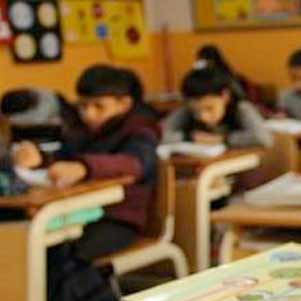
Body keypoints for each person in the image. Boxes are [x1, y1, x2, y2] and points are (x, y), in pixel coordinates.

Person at [13, 64, 159, 260]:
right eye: (83, 106)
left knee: (64, 255)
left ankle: (89, 290)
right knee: (28, 241)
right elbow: (63, 158)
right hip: (77, 214)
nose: (88, 114)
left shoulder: (140, 131)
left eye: (99, 106)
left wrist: (84, 168)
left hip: (117, 220)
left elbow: (135, 164)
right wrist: (40, 159)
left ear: (124, 104)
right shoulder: (80, 131)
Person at [162, 66, 268, 148]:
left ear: (225, 96)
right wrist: (189, 137)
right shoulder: (186, 111)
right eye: (195, 111)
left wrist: (223, 139)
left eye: (209, 108)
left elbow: (263, 138)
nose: (203, 116)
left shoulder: (241, 108)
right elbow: (160, 134)